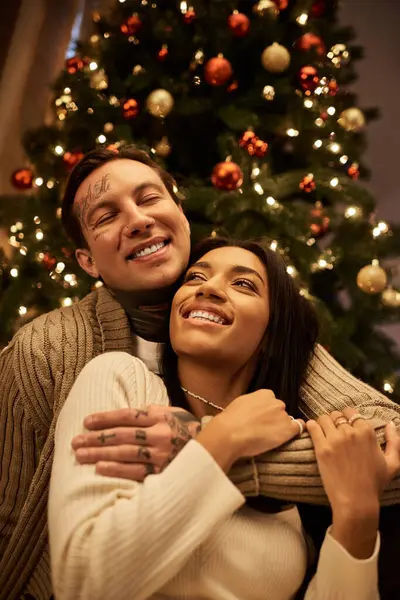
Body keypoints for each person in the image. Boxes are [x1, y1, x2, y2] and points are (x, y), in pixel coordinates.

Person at [1, 146, 399, 600]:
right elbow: (12, 519)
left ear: (180, 213)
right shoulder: (64, 354)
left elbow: (389, 442)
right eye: (106, 216)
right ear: (87, 261)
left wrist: (206, 443)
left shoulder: (273, 350)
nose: (137, 220)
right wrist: (219, 440)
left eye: (149, 198)